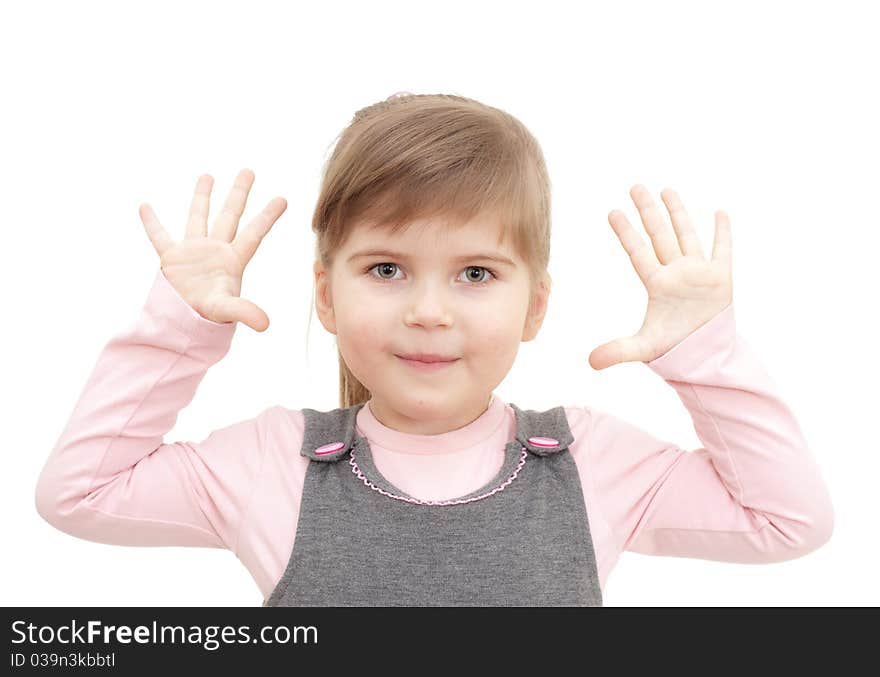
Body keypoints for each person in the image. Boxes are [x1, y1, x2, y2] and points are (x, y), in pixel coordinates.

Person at [34, 92, 834, 606]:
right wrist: (179, 327)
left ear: (536, 304)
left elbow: (787, 518)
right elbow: (80, 491)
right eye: (386, 268)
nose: (427, 311)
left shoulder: (590, 462)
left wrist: (706, 353)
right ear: (326, 295)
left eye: (476, 272)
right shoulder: (275, 461)